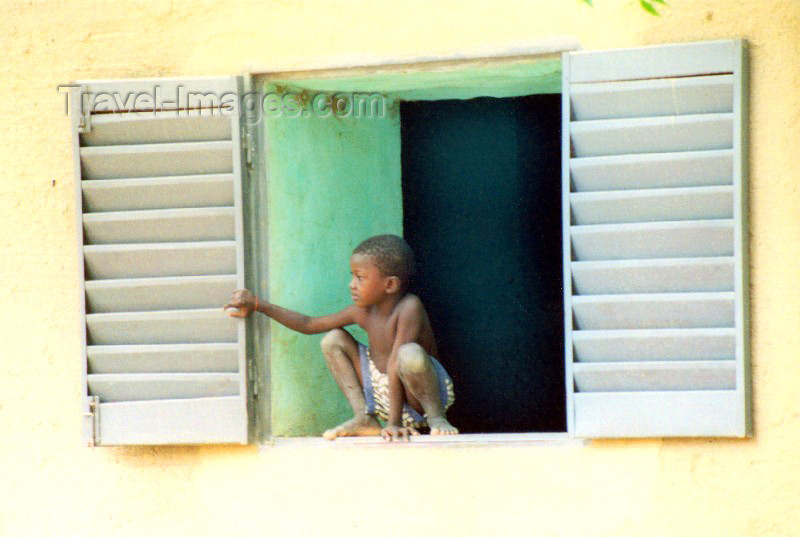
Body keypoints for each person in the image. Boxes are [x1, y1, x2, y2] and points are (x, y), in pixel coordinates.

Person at [225, 234, 458, 442]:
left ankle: (437, 418)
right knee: (333, 339)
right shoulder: (362, 311)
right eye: (352, 276)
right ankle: (364, 418)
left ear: (390, 284)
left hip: (419, 395)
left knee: (409, 354)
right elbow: (309, 324)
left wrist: (393, 423)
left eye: (360, 277)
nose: (352, 285)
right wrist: (257, 304)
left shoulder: (409, 307)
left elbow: (397, 363)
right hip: (384, 391)